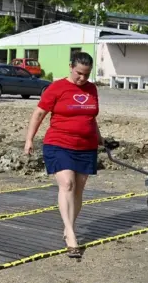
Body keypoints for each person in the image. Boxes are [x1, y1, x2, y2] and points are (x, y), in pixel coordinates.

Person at [24, 52, 104, 258]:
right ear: (70, 67)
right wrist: (29, 139)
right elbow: (39, 113)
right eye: (79, 73)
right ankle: (70, 234)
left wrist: (99, 137)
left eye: (86, 74)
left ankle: (69, 226)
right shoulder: (56, 87)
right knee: (67, 184)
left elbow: (90, 117)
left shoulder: (92, 89)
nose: (82, 78)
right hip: (59, 143)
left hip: (86, 146)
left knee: (78, 188)